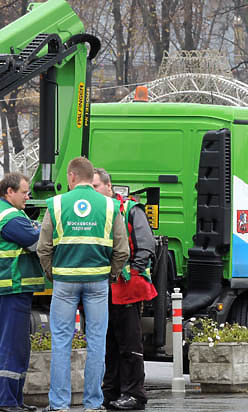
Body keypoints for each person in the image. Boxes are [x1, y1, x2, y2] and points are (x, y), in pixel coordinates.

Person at [38, 157, 129, 412]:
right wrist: (110, 275)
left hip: (64, 282)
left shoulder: (56, 204)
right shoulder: (111, 206)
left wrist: (53, 274)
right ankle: (93, 403)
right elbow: (122, 250)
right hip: (98, 282)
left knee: (61, 342)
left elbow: (43, 248)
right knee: (97, 342)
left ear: (71, 177)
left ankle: (58, 405)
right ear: (92, 178)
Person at [92, 168, 158, 411]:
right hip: (104, 286)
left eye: (96, 186)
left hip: (127, 286)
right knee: (109, 343)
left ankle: (134, 393)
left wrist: (132, 271)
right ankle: (111, 391)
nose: (93, 191)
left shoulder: (131, 210)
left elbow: (146, 245)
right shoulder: (97, 212)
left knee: (129, 343)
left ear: (109, 187)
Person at [0, 172, 45, 412]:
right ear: (9, 192)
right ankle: (7, 401)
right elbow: (34, 241)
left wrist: (36, 226)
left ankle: (15, 400)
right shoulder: (10, 216)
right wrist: (45, 227)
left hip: (12, 287)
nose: (28, 196)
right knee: (12, 345)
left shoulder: (8, 212)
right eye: (24, 191)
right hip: (12, 286)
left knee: (18, 345)